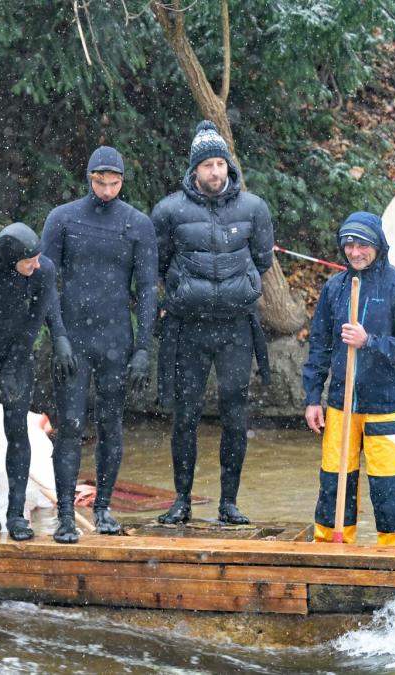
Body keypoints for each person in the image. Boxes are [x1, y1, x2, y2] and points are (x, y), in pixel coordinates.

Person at [151, 120, 274, 527]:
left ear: (228, 167)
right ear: (194, 170)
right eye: (208, 165)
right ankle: (181, 500)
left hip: (236, 327)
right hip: (189, 328)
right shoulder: (169, 210)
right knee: (184, 415)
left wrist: (240, 286)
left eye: (221, 164)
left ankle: (229, 503)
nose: (215, 172)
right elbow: (160, 262)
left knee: (235, 415)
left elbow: (263, 260)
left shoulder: (253, 208)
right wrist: (186, 291)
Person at [41, 145, 157, 544]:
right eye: (100, 182)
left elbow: (146, 288)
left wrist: (143, 347)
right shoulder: (63, 218)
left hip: (115, 340)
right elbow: (45, 284)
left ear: (122, 182)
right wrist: (57, 337)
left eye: (114, 183)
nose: (107, 190)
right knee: (71, 426)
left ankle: (104, 507)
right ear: (88, 178)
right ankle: (65, 516)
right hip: (73, 339)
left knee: (111, 425)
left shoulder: (137, 224)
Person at [302, 212, 395, 546]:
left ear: (378, 245)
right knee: (334, 483)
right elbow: (319, 347)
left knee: (390, 488)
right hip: (341, 405)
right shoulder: (335, 288)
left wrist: (369, 341)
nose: (355, 252)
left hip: (386, 406)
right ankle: (330, 548)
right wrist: (313, 397)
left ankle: (394, 555)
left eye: (363, 245)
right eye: (349, 244)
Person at [0, 223, 75, 542]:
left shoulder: (43, 271)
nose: (37, 264)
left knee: (17, 430)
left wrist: (11, 367)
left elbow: (34, 322)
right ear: (9, 258)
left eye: (38, 258)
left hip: (17, 354)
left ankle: (16, 515)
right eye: (29, 260)